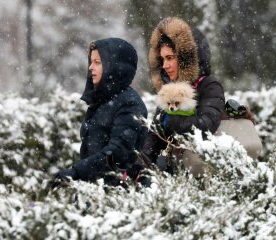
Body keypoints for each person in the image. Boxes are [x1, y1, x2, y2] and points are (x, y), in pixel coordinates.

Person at [51, 38, 148, 187]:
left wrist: (77, 172)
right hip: (96, 190)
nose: (90, 67)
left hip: (120, 196)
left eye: (97, 62)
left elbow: (116, 154)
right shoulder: (102, 100)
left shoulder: (130, 104)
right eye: (91, 61)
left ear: (116, 67)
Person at [141, 17, 225, 176]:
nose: (165, 65)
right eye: (162, 59)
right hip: (171, 178)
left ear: (187, 58)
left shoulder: (209, 87)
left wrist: (174, 120)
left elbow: (206, 127)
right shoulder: (170, 91)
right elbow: (154, 138)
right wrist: (139, 163)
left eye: (170, 58)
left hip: (200, 178)